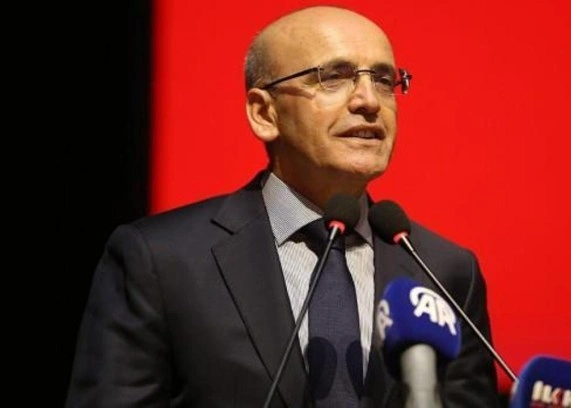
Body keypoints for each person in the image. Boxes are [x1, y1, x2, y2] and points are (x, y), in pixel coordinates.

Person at [66, 5, 499, 407]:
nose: (369, 101)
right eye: (333, 77)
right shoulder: (161, 261)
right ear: (264, 113)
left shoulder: (444, 271)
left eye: (385, 80)